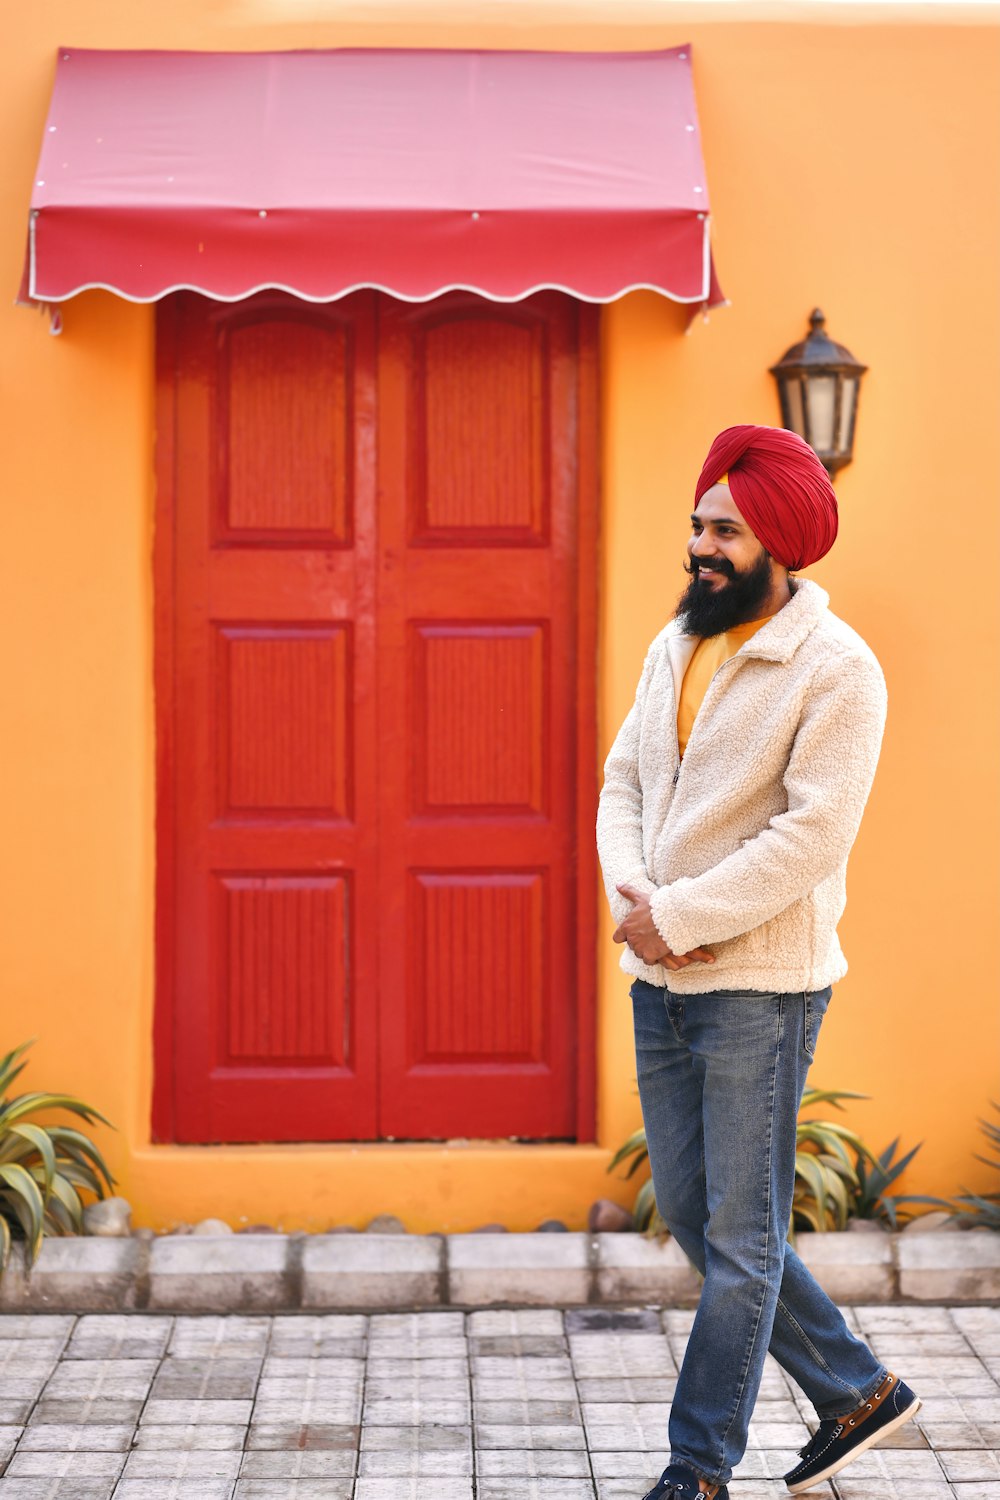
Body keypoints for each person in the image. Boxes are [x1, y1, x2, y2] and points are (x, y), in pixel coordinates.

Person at [596, 425, 920, 1500]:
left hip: (760, 989)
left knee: (741, 1238)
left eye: (723, 530)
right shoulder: (673, 645)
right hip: (663, 975)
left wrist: (677, 915)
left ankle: (696, 1468)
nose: (699, 544)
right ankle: (857, 1391)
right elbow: (623, 786)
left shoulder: (838, 671)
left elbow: (809, 839)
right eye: (696, 523)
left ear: (779, 542)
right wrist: (633, 900)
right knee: (696, 1219)